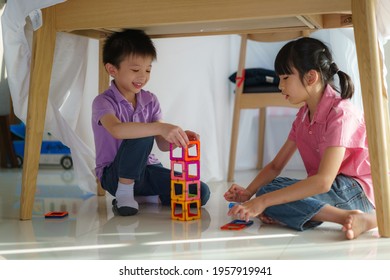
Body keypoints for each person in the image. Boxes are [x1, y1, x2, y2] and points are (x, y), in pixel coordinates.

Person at [224, 37, 377, 240]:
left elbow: (323, 181)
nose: (280, 86)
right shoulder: (303, 116)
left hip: (355, 191)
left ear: (311, 77)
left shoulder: (341, 113)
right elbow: (275, 166)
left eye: (286, 78)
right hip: (332, 189)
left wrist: (262, 202)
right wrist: (249, 193)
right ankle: (323, 214)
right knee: (266, 192)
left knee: (267, 198)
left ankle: (353, 217)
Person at [92, 29, 210, 216]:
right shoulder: (103, 102)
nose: (143, 76)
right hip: (114, 175)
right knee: (142, 133)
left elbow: (162, 145)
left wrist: (177, 137)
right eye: (135, 70)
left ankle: (143, 198)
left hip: (148, 171)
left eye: (148, 70)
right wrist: (159, 127)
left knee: (200, 193)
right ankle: (124, 192)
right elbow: (117, 130)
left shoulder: (150, 100)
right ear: (112, 69)